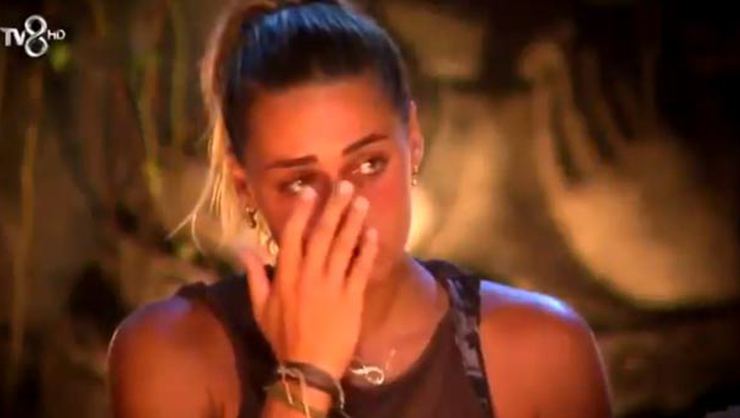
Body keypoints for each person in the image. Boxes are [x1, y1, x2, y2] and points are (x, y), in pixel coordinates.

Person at [107, 1, 613, 417]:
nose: (343, 206)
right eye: (301, 181)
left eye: (369, 164)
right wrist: (305, 374)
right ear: (246, 189)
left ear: (413, 144)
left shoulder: (541, 352)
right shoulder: (171, 354)